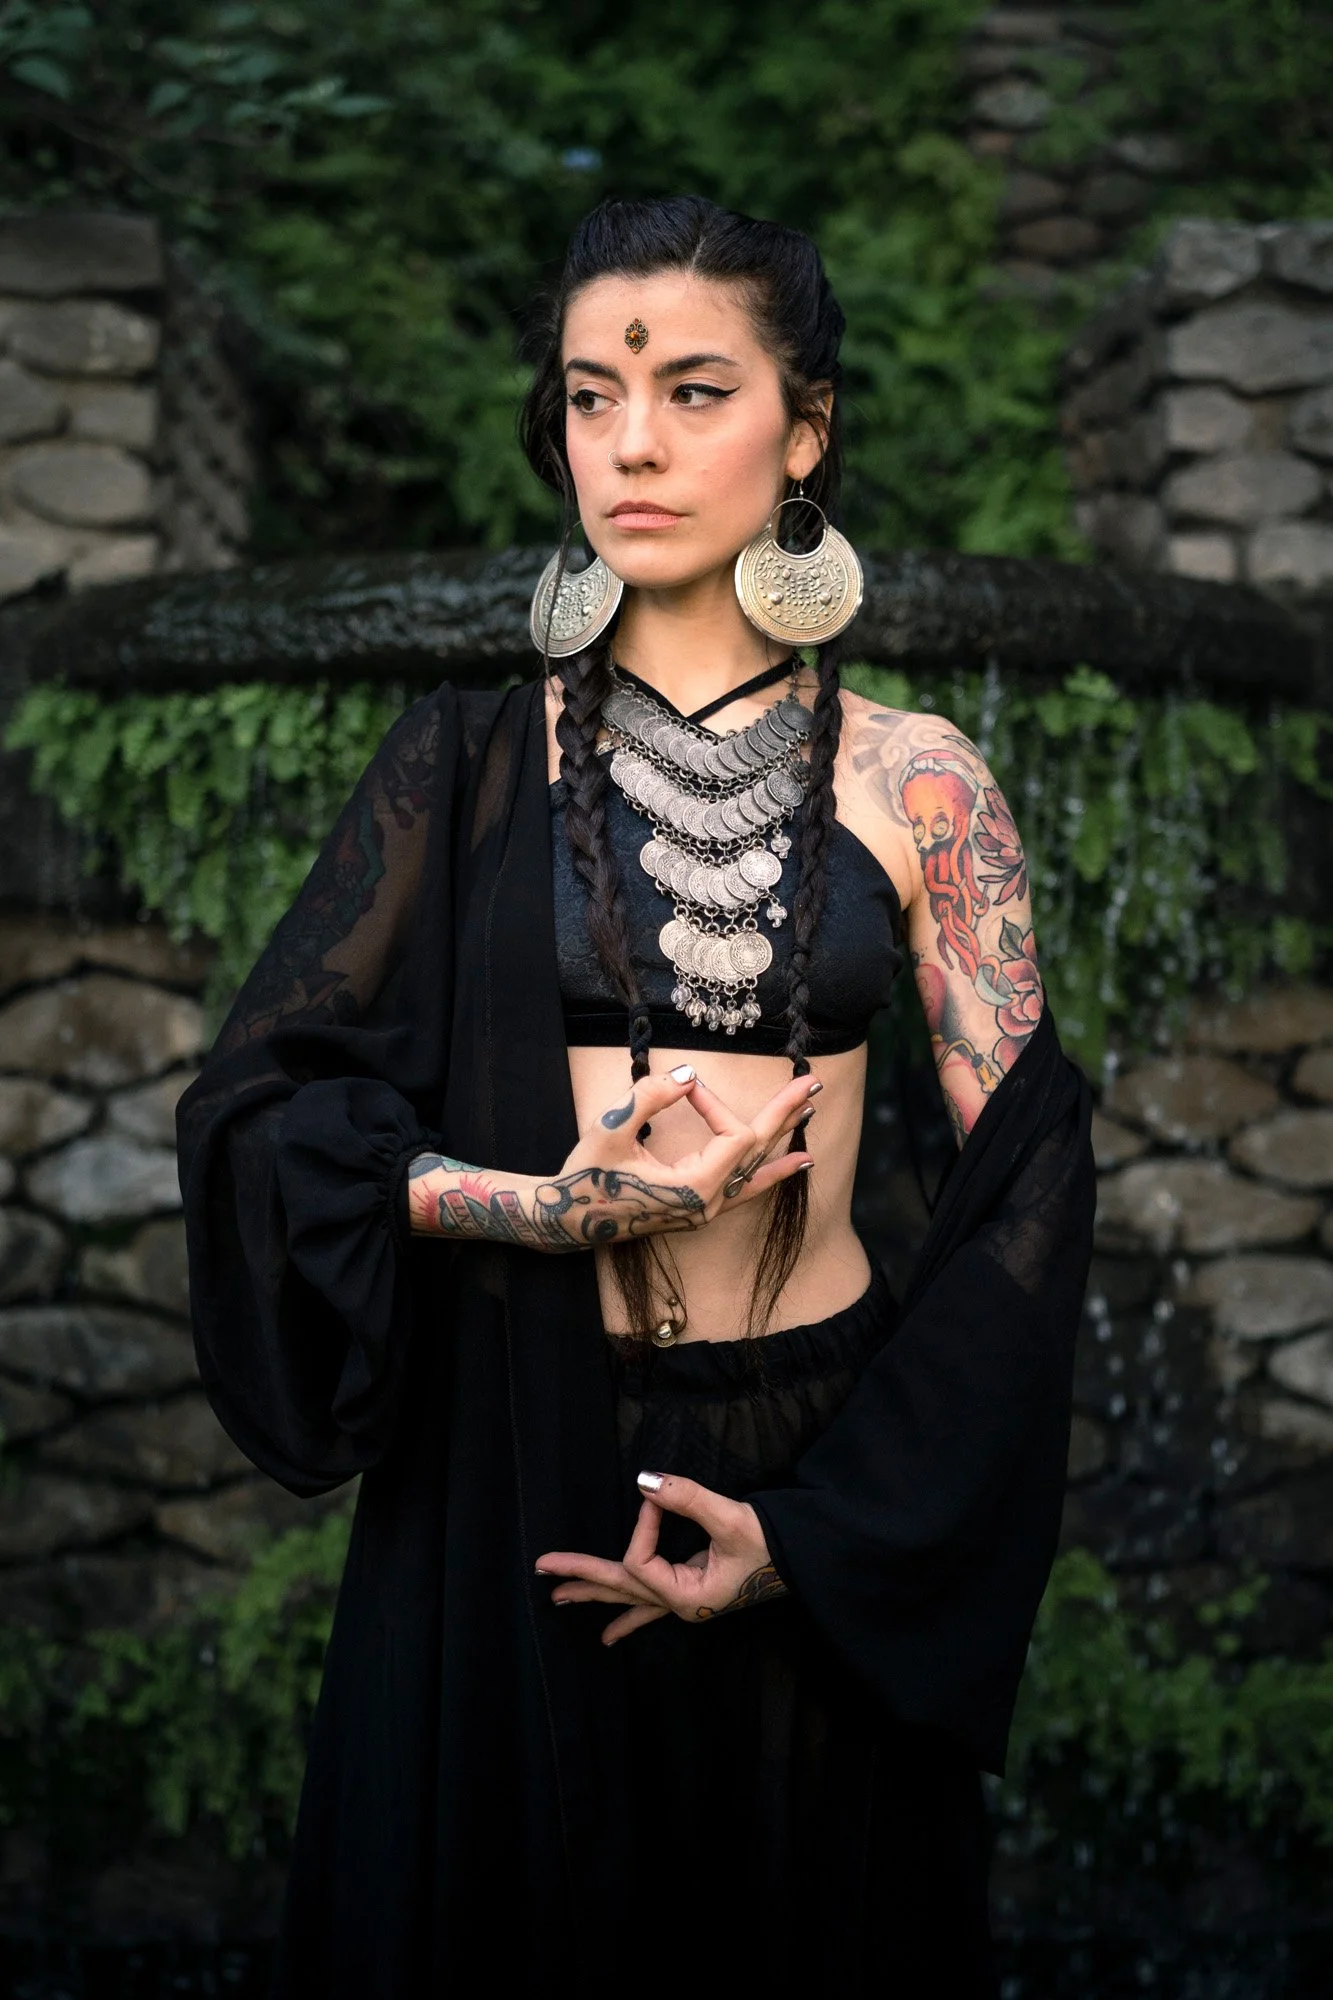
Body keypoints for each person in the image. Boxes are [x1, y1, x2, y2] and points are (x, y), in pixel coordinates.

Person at [178, 195, 1095, 2000]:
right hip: (520, 1464)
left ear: (803, 430)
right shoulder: (460, 760)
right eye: (595, 395)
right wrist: (541, 1208)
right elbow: (261, 1113)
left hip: (822, 1468)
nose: (635, 442)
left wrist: (826, 1547)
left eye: (692, 389)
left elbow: (1032, 1184)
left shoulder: (921, 785)